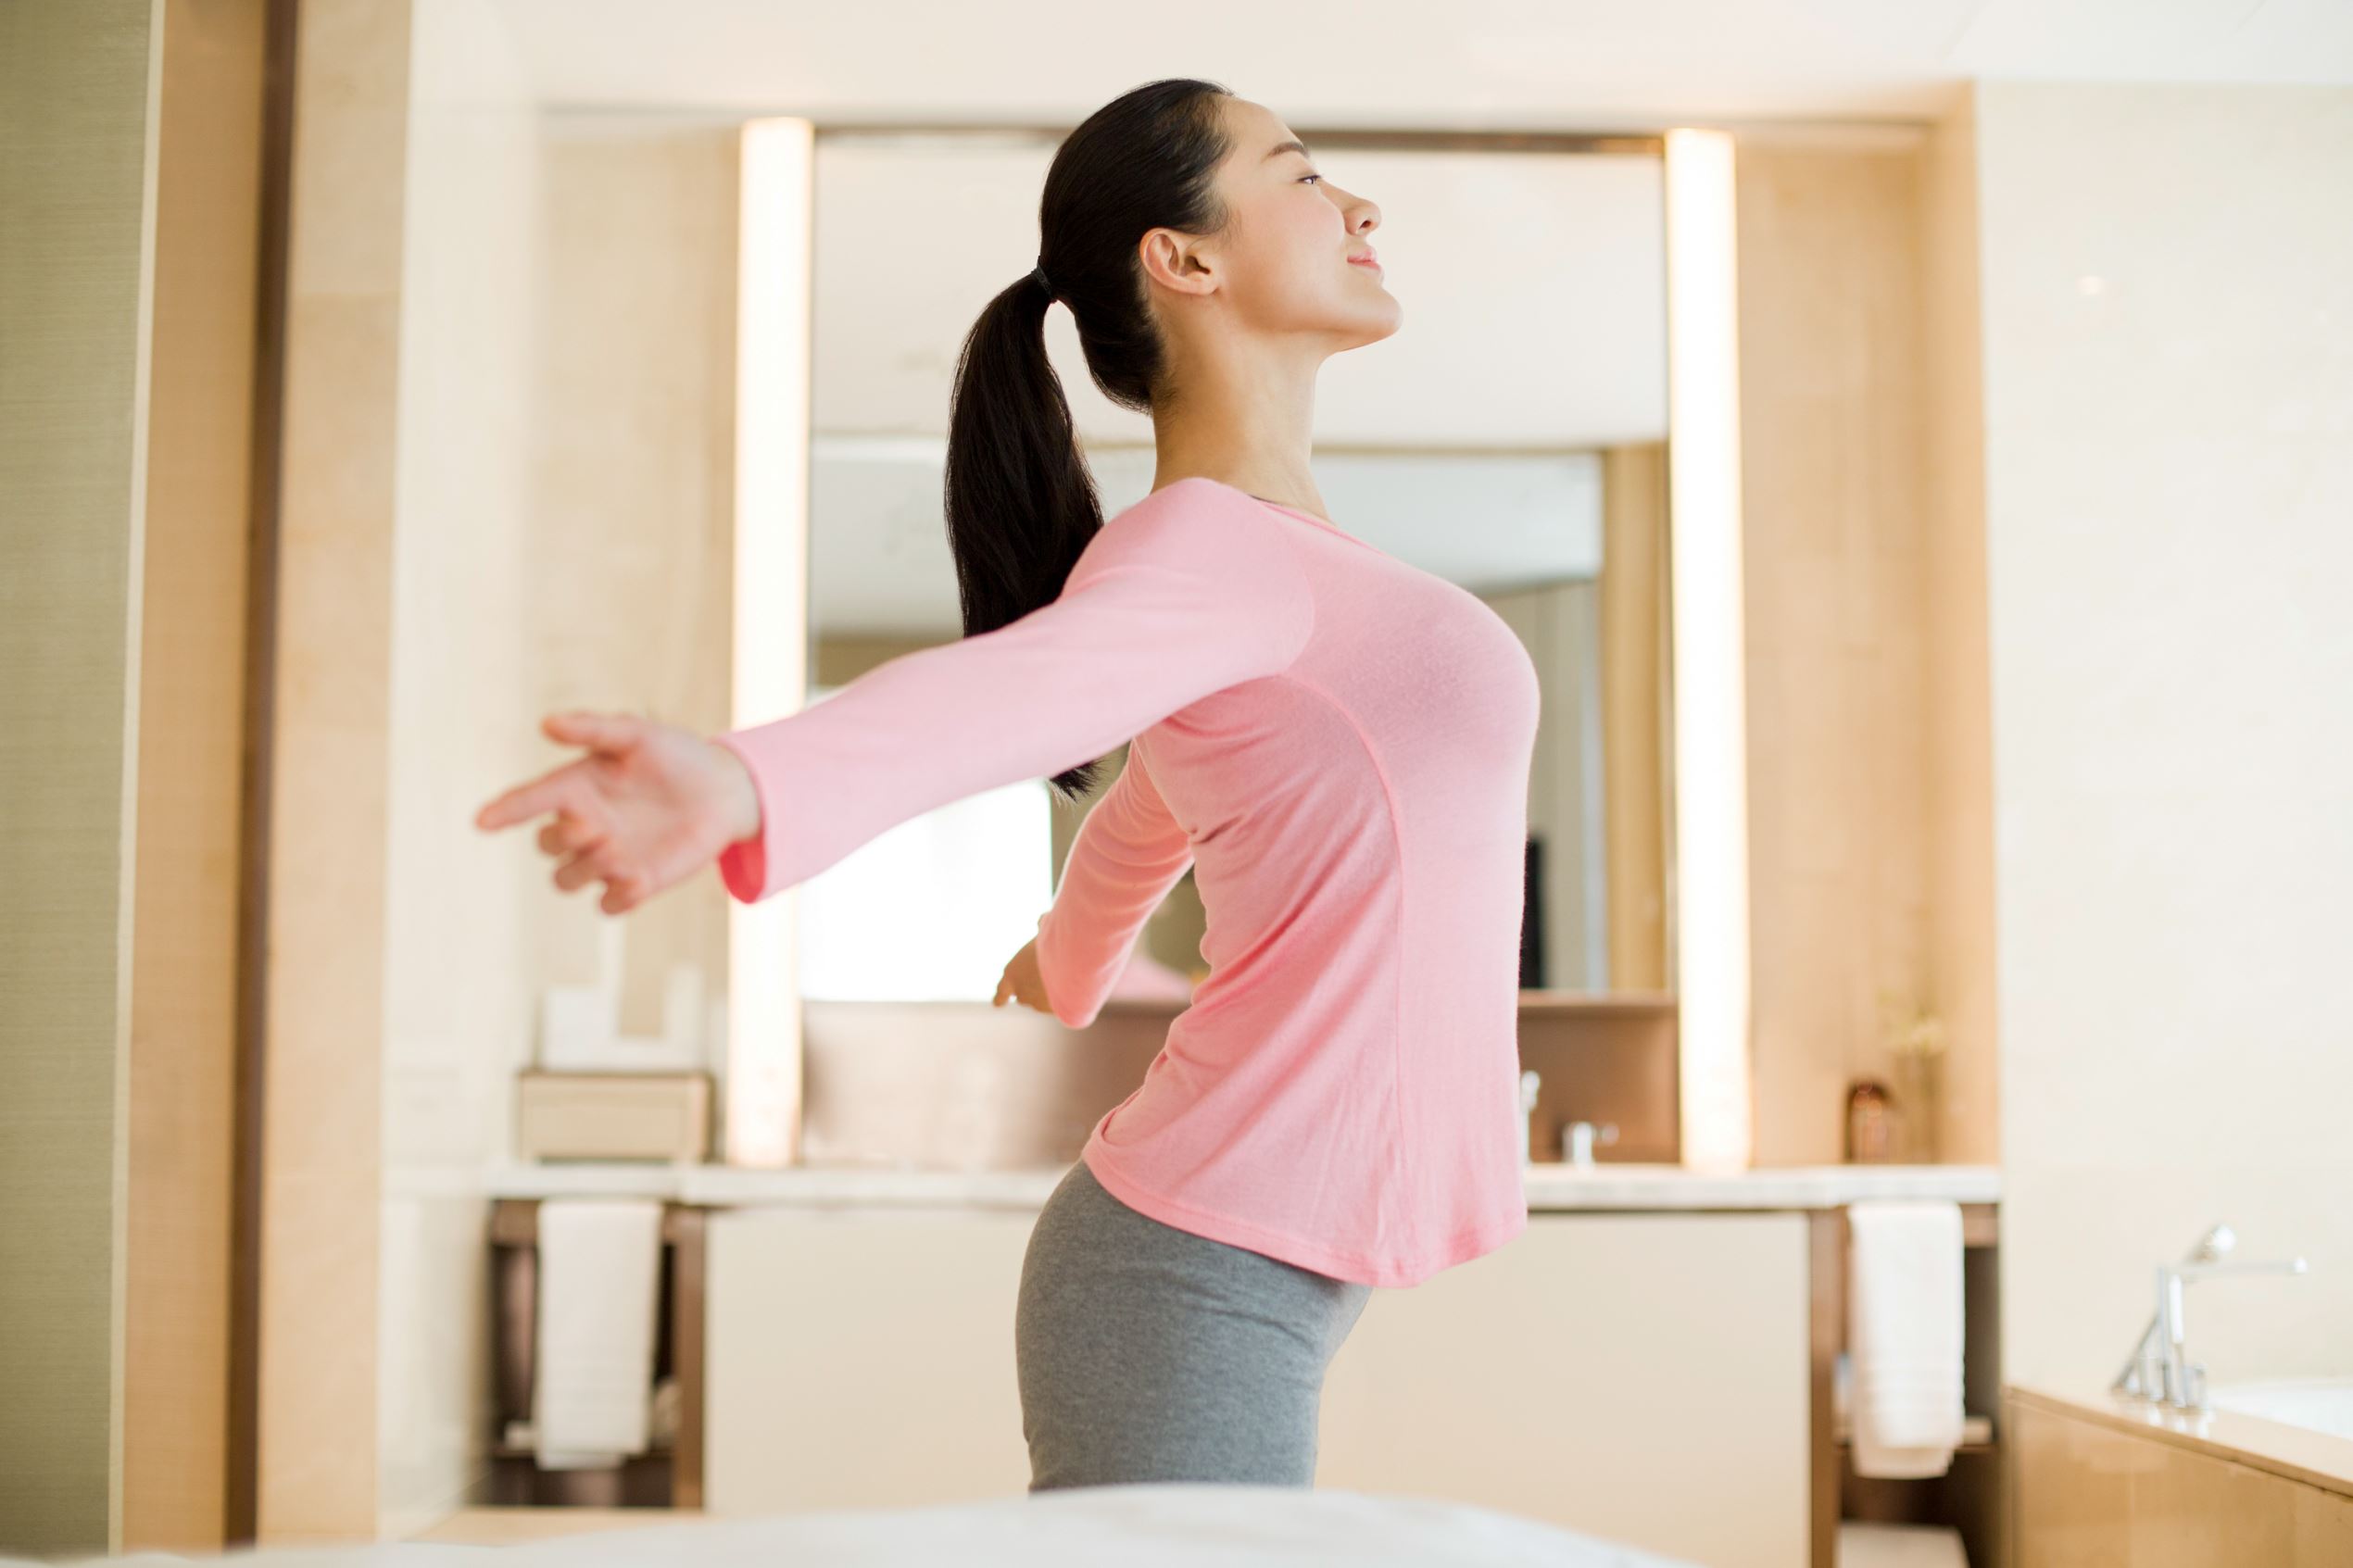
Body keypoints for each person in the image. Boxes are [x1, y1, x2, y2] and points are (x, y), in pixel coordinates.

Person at [473, 78, 1541, 1493]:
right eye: (1300, 173)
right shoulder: (1208, 551)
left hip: (1230, 1258)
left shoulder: (1275, 565)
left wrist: (1070, 952)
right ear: (1186, 256)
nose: (1359, 202)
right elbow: (1010, 696)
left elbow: (1159, 793)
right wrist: (746, 781)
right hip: (1185, 1272)